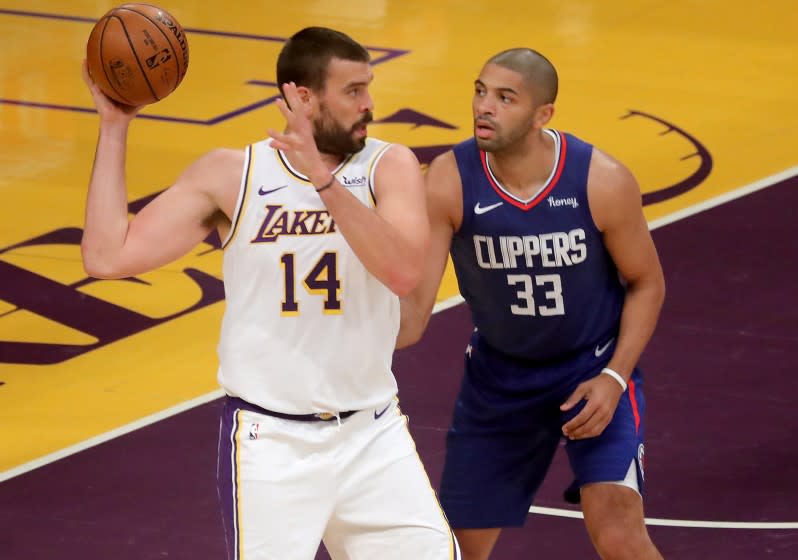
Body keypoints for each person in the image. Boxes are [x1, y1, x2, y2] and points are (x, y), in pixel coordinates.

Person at [81, 26, 459, 560]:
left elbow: (402, 273)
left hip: (372, 432)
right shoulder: (232, 174)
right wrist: (115, 126)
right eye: (353, 91)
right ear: (302, 97)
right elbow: (105, 257)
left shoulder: (386, 166)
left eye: (368, 87)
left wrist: (324, 183)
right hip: (272, 442)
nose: (369, 104)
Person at [398, 48, 666, 560]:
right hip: (499, 382)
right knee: (455, 549)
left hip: (593, 370)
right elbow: (414, 306)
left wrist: (615, 377)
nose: (484, 107)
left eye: (505, 98)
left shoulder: (601, 180)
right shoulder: (449, 180)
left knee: (619, 534)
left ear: (544, 114)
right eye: (480, 91)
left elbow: (647, 282)